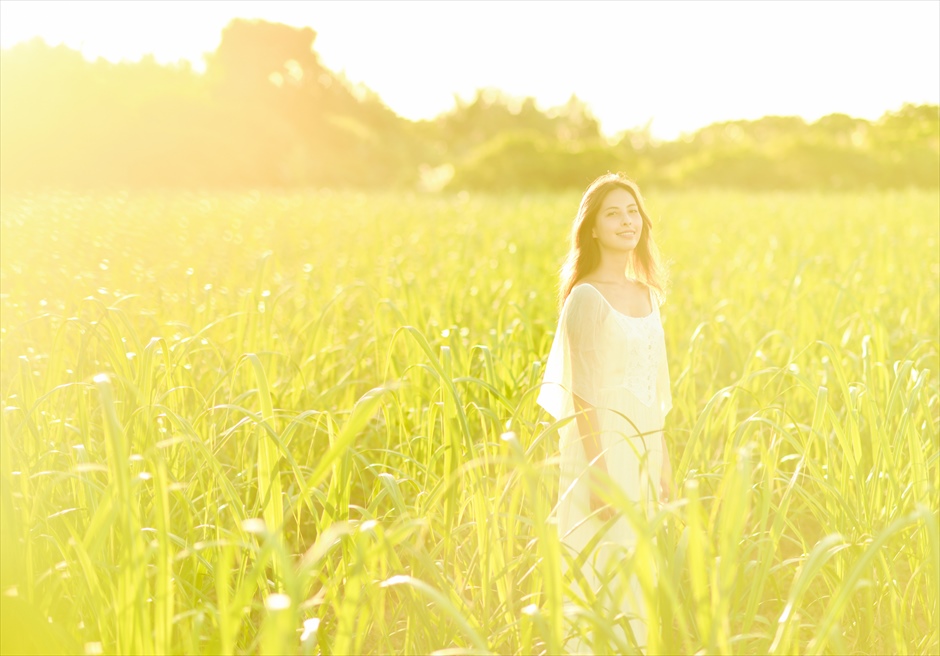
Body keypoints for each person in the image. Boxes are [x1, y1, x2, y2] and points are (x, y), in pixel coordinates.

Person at [536, 172, 674, 654]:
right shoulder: (584, 297)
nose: (625, 221)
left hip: (642, 451)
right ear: (591, 228)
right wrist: (595, 474)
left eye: (632, 211)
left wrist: (664, 464)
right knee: (596, 569)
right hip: (599, 452)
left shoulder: (647, 294)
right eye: (612, 213)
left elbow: (657, 390)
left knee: (637, 570)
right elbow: (582, 395)